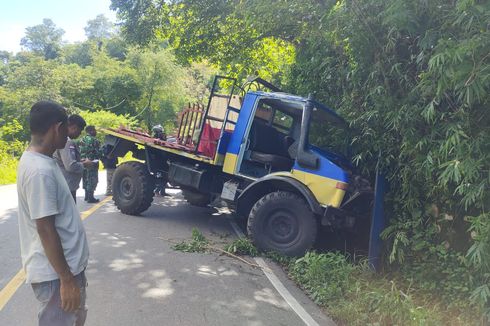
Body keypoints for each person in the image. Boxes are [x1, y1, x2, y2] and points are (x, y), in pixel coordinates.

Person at [17, 100, 89, 326]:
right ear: (57, 129)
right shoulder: (40, 172)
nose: (68, 136)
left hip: (62, 271)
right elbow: (45, 228)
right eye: (66, 129)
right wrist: (66, 279)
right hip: (56, 276)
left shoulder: (41, 161)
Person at [53, 114, 92, 203]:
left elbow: (64, 161)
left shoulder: (63, 140)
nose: (80, 133)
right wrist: (85, 164)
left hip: (65, 186)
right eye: (80, 130)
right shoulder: (67, 142)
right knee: (70, 215)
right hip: (67, 187)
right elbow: (71, 166)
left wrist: (79, 161)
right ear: (74, 127)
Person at [79, 125, 101, 203]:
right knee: (92, 179)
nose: (96, 132)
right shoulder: (95, 140)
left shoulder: (81, 140)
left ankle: (86, 196)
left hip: (83, 162)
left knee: (85, 178)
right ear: (91, 131)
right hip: (92, 163)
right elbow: (98, 152)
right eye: (94, 130)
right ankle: (91, 197)